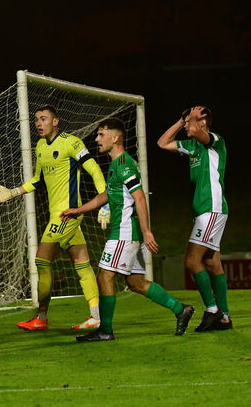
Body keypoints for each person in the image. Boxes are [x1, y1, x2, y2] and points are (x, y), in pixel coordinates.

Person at [62, 117, 195, 341]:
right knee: (135, 282)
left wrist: (147, 231)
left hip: (124, 233)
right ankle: (181, 310)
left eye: (101, 134)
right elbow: (105, 195)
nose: (96, 139)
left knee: (104, 276)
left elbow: (140, 198)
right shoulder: (117, 165)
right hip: (129, 233)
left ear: (115, 138)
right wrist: (78, 210)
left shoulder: (124, 165)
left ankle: (105, 330)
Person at [0, 105, 107, 331]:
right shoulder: (41, 147)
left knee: (42, 260)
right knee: (82, 263)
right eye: (36, 120)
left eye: (43, 119)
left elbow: (93, 168)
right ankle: (95, 316)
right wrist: (13, 192)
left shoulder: (71, 142)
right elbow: (37, 179)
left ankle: (41, 317)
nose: (39, 124)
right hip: (56, 215)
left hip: (68, 214)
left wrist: (104, 202)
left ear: (55, 122)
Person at [158, 106, 232, 331]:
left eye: (194, 120)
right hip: (204, 211)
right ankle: (225, 318)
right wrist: (182, 121)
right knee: (211, 262)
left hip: (212, 208)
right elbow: (162, 143)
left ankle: (212, 310)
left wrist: (191, 120)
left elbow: (198, 132)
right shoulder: (192, 147)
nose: (189, 124)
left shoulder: (215, 140)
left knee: (191, 260)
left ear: (203, 123)